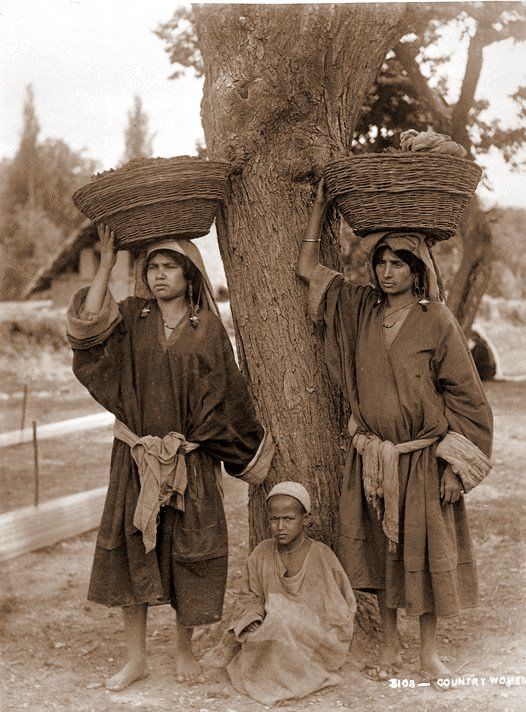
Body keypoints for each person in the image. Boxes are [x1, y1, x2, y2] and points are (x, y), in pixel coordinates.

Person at [296, 180, 493, 685]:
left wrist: (455, 468)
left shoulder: (436, 320)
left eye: (398, 264)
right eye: (381, 263)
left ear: (417, 270)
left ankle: (428, 655)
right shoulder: (361, 309)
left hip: (423, 462)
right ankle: (388, 646)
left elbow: (468, 398)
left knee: (423, 557)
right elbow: (308, 269)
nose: (387, 272)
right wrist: (319, 209)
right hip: (374, 460)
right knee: (383, 557)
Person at [66, 224, 274, 691]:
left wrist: (243, 453)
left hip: (189, 464)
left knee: (189, 554)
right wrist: (107, 262)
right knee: (132, 549)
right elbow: (87, 328)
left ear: (190, 275)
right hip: (136, 460)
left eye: (169, 268)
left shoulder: (207, 329)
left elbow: (228, 395)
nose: (159, 275)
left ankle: (184, 648)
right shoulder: (130, 317)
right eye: (152, 268)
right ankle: (135, 658)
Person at [218, 481, 356, 706]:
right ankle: (276, 676)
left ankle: (294, 677)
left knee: (281, 618)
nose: (280, 526)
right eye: (274, 519)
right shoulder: (262, 552)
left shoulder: (321, 555)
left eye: (289, 519)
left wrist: (292, 614)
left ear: (305, 519)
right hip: (272, 628)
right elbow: (249, 595)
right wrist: (253, 617)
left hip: (312, 634)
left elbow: (337, 608)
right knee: (271, 625)